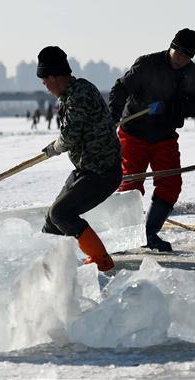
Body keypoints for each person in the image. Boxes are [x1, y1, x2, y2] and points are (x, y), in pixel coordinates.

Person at [109, 28, 195, 252]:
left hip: (164, 136)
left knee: (171, 184)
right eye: (178, 52)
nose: (181, 59)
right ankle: (124, 234)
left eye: (187, 56)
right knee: (131, 185)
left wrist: (173, 107)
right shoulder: (147, 64)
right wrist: (113, 117)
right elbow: (121, 88)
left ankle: (149, 233)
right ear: (171, 46)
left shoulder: (191, 73)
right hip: (134, 132)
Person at [38, 45, 123, 271]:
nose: (45, 86)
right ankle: (45, 267)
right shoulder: (70, 95)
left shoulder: (80, 95)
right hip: (86, 170)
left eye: (45, 81)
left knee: (61, 213)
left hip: (102, 173)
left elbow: (70, 136)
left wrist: (53, 148)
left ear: (54, 77)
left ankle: (101, 261)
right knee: (52, 218)